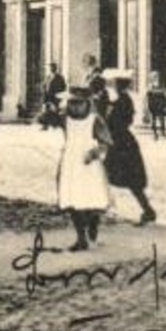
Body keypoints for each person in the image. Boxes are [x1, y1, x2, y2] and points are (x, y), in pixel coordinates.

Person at [55, 90, 111, 251]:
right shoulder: (65, 119)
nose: (75, 107)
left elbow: (105, 142)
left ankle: (93, 221)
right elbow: (44, 120)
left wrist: (93, 153)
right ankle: (81, 238)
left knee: (90, 198)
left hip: (89, 165)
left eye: (79, 103)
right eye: (71, 103)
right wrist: (48, 112)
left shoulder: (94, 120)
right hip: (70, 163)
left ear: (88, 103)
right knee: (71, 199)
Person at [98, 72, 156, 224]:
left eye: (115, 82)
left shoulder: (122, 101)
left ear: (119, 84)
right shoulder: (122, 100)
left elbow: (115, 121)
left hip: (120, 144)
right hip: (124, 142)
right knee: (129, 180)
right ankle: (147, 210)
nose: (113, 85)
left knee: (105, 174)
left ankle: (103, 208)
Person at [38, 62, 67, 130]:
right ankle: (45, 125)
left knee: (54, 112)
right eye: (50, 67)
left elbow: (63, 87)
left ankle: (55, 125)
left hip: (55, 97)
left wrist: (60, 96)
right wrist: (43, 89)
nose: (51, 69)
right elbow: (44, 85)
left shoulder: (59, 77)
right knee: (46, 111)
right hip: (47, 97)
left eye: (53, 67)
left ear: (55, 68)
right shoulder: (48, 77)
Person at [145, 71, 166, 141]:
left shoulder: (159, 85)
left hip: (160, 104)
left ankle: (162, 131)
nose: (156, 78)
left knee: (161, 118)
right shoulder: (150, 86)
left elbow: (163, 95)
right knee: (154, 119)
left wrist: (165, 102)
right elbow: (148, 95)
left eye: (157, 76)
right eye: (155, 76)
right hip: (153, 104)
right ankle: (155, 133)